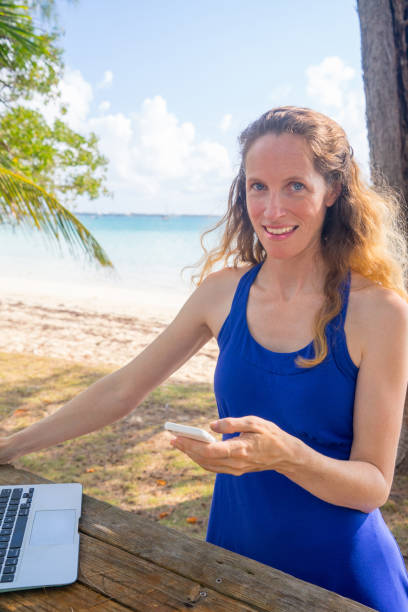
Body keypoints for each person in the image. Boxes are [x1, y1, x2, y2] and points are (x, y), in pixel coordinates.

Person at [1, 106, 408, 610]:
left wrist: (287, 455)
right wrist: (10, 446)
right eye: (258, 186)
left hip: (344, 580)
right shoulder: (221, 293)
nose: (272, 210)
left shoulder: (380, 311)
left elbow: (373, 485)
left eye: (295, 186)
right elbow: (123, 389)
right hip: (230, 564)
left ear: (334, 191)